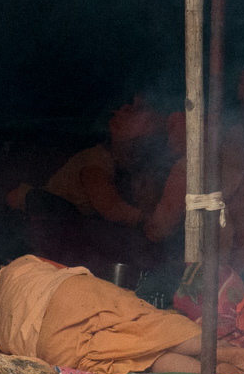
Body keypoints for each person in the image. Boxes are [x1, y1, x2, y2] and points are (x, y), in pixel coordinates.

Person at [0, 251, 244, 374]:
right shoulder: (24, 264)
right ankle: (223, 351)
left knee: (138, 358)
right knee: (147, 325)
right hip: (73, 294)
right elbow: (68, 271)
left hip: (51, 340)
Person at [14, 98, 172, 268]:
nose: (126, 108)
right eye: (130, 109)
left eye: (137, 109)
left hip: (86, 240)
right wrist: (146, 219)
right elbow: (112, 208)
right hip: (57, 235)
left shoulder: (140, 166)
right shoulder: (95, 162)